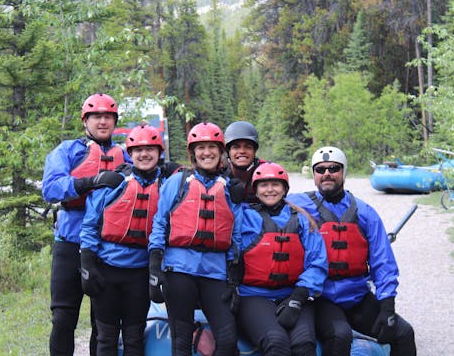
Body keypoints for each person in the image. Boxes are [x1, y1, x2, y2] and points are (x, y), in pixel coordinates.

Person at [287, 146, 417, 356]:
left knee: (403, 333)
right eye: (320, 170)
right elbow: (267, 196)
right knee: (340, 336)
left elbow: (383, 262)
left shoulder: (365, 212)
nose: (327, 173)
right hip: (322, 298)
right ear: (314, 175)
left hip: (357, 296)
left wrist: (387, 306)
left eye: (333, 168)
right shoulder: (298, 203)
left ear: (343, 172)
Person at [42, 93, 131, 355]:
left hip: (106, 248)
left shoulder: (125, 155)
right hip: (69, 243)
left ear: (114, 122)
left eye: (108, 117)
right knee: (63, 318)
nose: (103, 122)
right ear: (85, 121)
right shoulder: (68, 150)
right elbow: (50, 189)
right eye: (97, 117)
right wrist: (89, 182)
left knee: (103, 323)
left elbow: (150, 177)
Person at [79, 124, 180, 355]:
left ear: (159, 152)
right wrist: (87, 264)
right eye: (138, 150)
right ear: (130, 153)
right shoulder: (115, 182)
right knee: (106, 338)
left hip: (140, 273)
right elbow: (90, 225)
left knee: (134, 339)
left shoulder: (168, 185)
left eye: (150, 149)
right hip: (107, 271)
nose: (144, 155)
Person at [148, 121, 242, 356]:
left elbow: (235, 231)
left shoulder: (229, 188)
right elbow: (160, 222)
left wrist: (233, 273)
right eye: (201, 148)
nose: (206, 152)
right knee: (181, 340)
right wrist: (155, 263)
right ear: (193, 153)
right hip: (179, 269)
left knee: (228, 339)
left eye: (212, 147)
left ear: (220, 152)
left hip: (215, 271)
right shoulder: (177, 182)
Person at [237, 162, 328, 356]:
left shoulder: (302, 220)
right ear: (255, 190)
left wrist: (298, 297)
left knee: (304, 343)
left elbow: (317, 262)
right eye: (264, 185)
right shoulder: (244, 218)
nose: (270, 190)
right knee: (275, 341)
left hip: (294, 294)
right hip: (253, 296)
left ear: (285, 189)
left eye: (276, 184)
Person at [224, 121, 266, 203]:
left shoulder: (265, 170)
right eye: (236, 147)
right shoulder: (220, 174)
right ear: (228, 152)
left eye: (248, 147)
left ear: (254, 151)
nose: (242, 151)